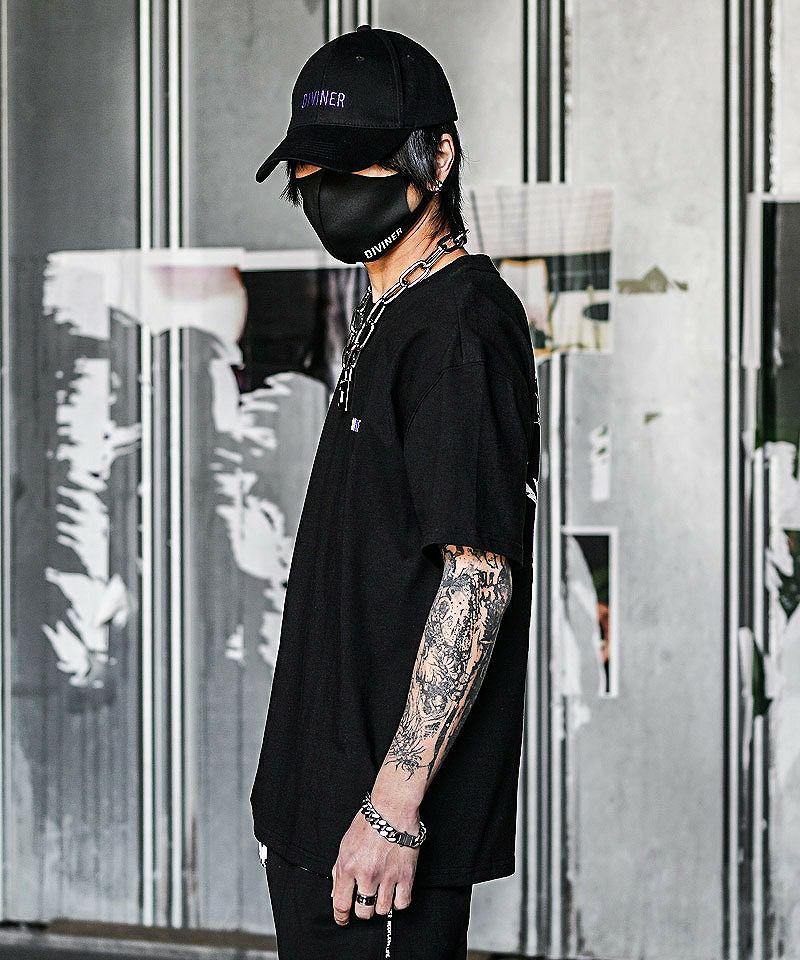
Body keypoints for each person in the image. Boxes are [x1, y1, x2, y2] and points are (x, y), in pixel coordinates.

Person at [250, 23, 541, 960]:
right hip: (323, 813)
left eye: (352, 166)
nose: (324, 190)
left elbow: (478, 577)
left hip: (374, 839)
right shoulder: (391, 311)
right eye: (309, 170)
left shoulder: (459, 330)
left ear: (437, 158)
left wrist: (394, 808)